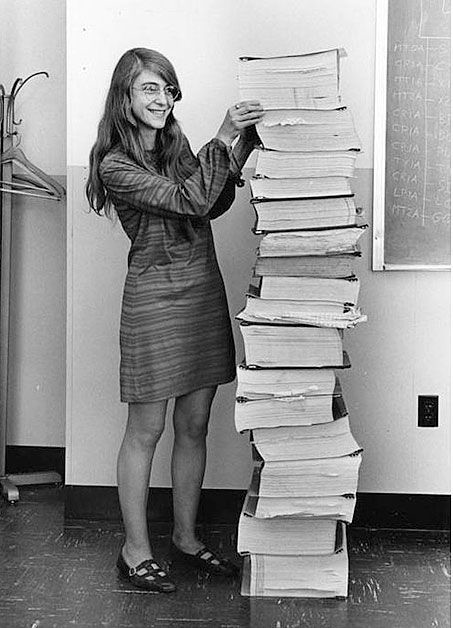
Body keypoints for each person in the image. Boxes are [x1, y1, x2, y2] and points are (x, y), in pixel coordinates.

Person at [85, 47, 264, 593]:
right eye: (149, 89)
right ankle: (134, 550)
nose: (162, 100)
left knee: (193, 424)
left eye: (166, 89)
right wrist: (224, 134)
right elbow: (188, 199)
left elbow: (208, 203)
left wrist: (244, 144)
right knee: (147, 429)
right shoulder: (115, 163)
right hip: (153, 299)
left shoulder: (175, 143)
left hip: (199, 289)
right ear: (125, 95)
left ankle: (185, 538)